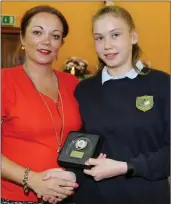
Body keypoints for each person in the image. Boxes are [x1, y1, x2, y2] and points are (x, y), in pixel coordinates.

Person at [72, 5, 169, 204]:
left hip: (146, 195)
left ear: (133, 37)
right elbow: (80, 145)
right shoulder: (85, 90)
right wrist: (69, 174)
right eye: (99, 38)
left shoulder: (162, 84)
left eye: (115, 35)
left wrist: (126, 166)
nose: (107, 45)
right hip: (93, 196)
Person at [1, 5, 82, 204]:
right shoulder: (4, 81)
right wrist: (33, 180)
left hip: (67, 195)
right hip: (17, 197)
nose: (46, 41)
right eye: (37, 32)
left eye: (55, 36)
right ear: (22, 38)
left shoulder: (73, 84)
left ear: (61, 43)